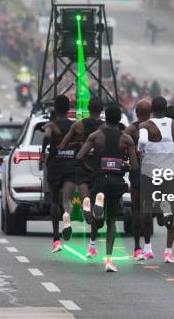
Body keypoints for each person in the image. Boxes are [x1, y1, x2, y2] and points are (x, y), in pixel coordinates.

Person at [76, 105, 138, 272]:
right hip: (116, 181)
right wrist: (123, 166)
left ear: (105, 119)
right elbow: (135, 166)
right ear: (119, 120)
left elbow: (79, 156)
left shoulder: (96, 136)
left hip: (99, 179)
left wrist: (91, 168)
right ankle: (109, 260)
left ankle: (97, 210)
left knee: (100, 217)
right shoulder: (126, 139)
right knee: (112, 221)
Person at [58, 98, 104, 257]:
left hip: (82, 166)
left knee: (83, 197)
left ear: (88, 109)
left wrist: (77, 144)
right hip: (98, 168)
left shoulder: (77, 125)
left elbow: (62, 145)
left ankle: (82, 208)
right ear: (101, 110)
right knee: (98, 206)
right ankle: (92, 244)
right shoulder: (104, 128)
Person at [138, 96, 174, 262]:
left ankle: (147, 248)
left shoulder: (145, 125)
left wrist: (141, 149)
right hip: (169, 171)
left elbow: (141, 141)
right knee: (173, 213)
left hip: (150, 172)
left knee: (146, 209)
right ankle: (168, 252)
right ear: (166, 107)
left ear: (151, 109)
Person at [41, 95, 76, 253]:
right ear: (69, 109)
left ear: (55, 109)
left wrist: (43, 150)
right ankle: (67, 219)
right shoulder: (75, 125)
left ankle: (56, 239)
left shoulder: (52, 125)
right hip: (70, 164)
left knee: (54, 200)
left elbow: (47, 135)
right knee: (66, 198)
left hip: (55, 165)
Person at [124, 99, 151, 260]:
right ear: (150, 112)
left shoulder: (130, 130)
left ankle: (136, 247)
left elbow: (122, 146)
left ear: (136, 112)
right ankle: (148, 245)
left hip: (136, 170)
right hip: (154, 172)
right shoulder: (156, 128)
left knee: (136, 208)